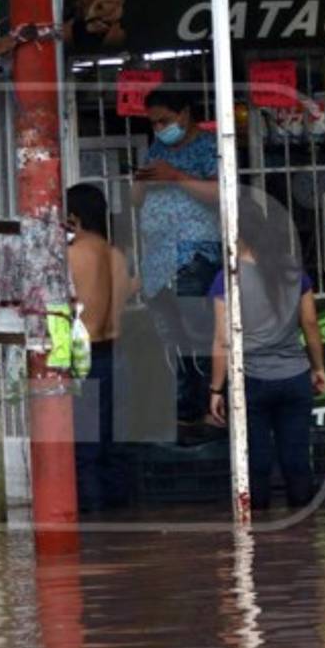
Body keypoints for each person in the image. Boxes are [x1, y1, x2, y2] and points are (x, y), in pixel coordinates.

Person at [208, 200, 325, 510]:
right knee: (297, 458)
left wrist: (215, 388)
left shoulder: (228, 278)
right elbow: (310, 324)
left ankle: (257, 543)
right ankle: (305, 537)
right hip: (295, 377)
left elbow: (222, 340)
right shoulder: (292, 271)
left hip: (251, 380)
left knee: (256, 461)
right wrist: (318, 368)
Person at [133, 84, 221, 434]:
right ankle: (185, 412)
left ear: (185, 113)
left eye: (164, 120)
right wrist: (140, 182)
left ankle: (211, 408)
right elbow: (138, 201)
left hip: (193, 257)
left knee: (200, 338)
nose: (159, 128)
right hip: (158, 264)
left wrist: (177, 177)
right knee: (174, 343)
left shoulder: (209, 147)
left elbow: (221, 194)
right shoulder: (156, 149)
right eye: (153, 123)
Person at [67, 184, 135, 512]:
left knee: (86, 448)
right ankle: (121, 517)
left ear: (72, 217)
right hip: (117, 354)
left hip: (86, 356)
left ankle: (95, 526)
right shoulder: (116, 254)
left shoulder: (73, 254)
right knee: (115, 444)